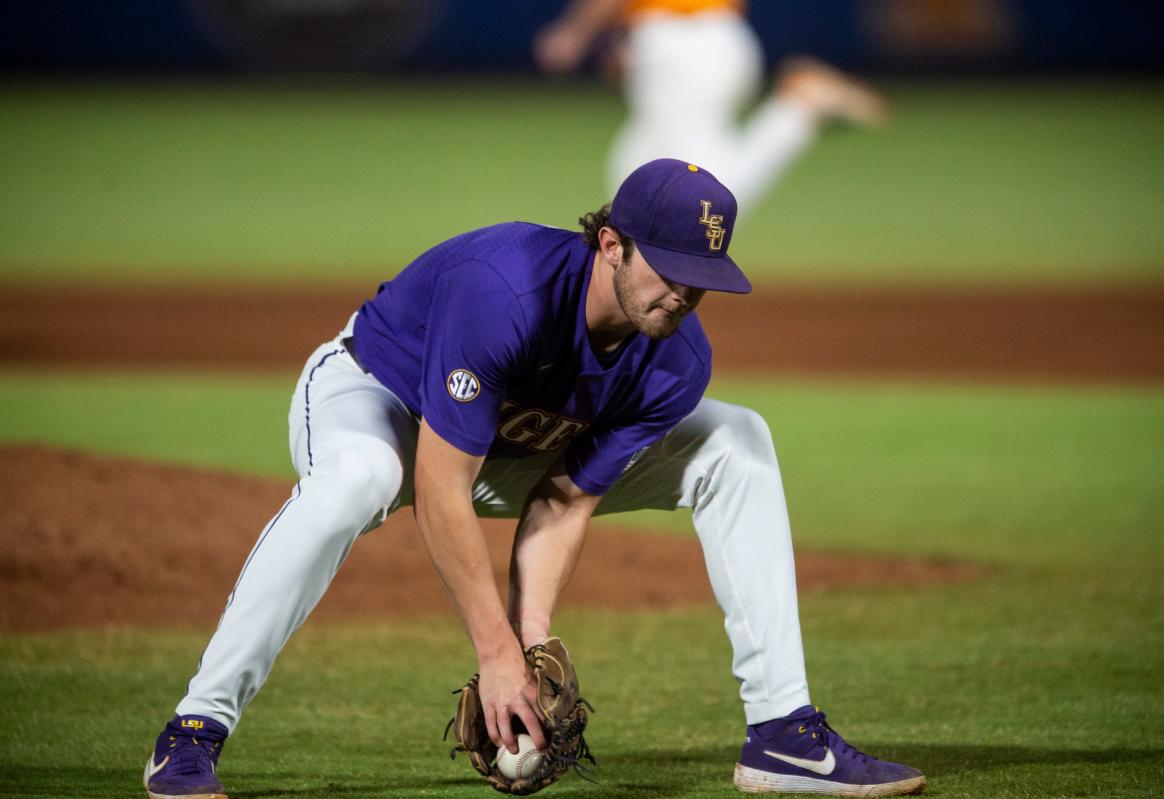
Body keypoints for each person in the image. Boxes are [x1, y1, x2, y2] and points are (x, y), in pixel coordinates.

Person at [143, 159, 926, 798]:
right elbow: (442, 487)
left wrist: (533, 637)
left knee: (736, 439)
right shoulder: (505, 290)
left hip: (518, 455)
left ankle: (782, 734)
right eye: (672, 268)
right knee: (357, 478)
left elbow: (565, 494)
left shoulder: (675, 360)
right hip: (376, 397)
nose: (685, 294)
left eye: (704, 275)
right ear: (612, 244)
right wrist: (494, 653)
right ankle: (192, 731)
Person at [534, 0, 888, 217]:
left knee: (706, 204)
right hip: (713, 40)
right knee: (632, 173)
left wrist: (574, 32)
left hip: (683, 47)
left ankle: (795, 111)